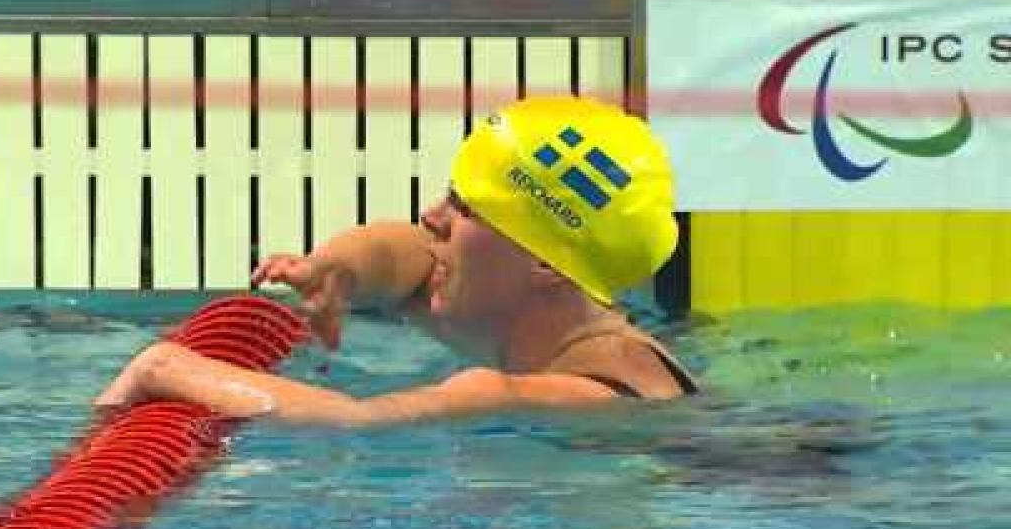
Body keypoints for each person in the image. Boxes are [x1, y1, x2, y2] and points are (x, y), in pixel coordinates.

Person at [95, 95, 697, 427]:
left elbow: (357, 421)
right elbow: (401, 249)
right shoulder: (541, 307)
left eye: (464, 209)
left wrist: (171, 370)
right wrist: (336, 270)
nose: (433, 216)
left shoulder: (552, 395)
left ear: (545, 263)